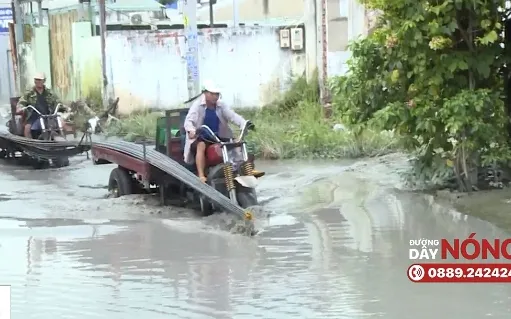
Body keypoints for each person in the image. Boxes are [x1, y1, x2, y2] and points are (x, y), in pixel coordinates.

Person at [183, 80, 264, 183]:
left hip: (218, 136)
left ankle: (247, 170)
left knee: (237, 144)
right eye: (212, 94)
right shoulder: (197, 105)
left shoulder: (221, 105)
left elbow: (233, 116)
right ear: (205, 93)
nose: (215, 96)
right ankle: (201, 175)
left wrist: (244, 123)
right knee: (201, 146)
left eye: (217, 94)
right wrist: (191, 130)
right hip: (202, 136)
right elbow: (188, 121)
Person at [16, 72, 67, 139]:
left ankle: (63, 142)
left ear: (44, 81)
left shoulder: (49, 92)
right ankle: (31, 147)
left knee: (63, 124)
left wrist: (64, 107)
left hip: (48, 115)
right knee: (27, 129)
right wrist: (20, 108)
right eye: (36, 79)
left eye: (40, 80)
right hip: (34, 116)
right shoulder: (29, 92)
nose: (38, 81)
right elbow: (22, 101)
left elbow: (57, 102)